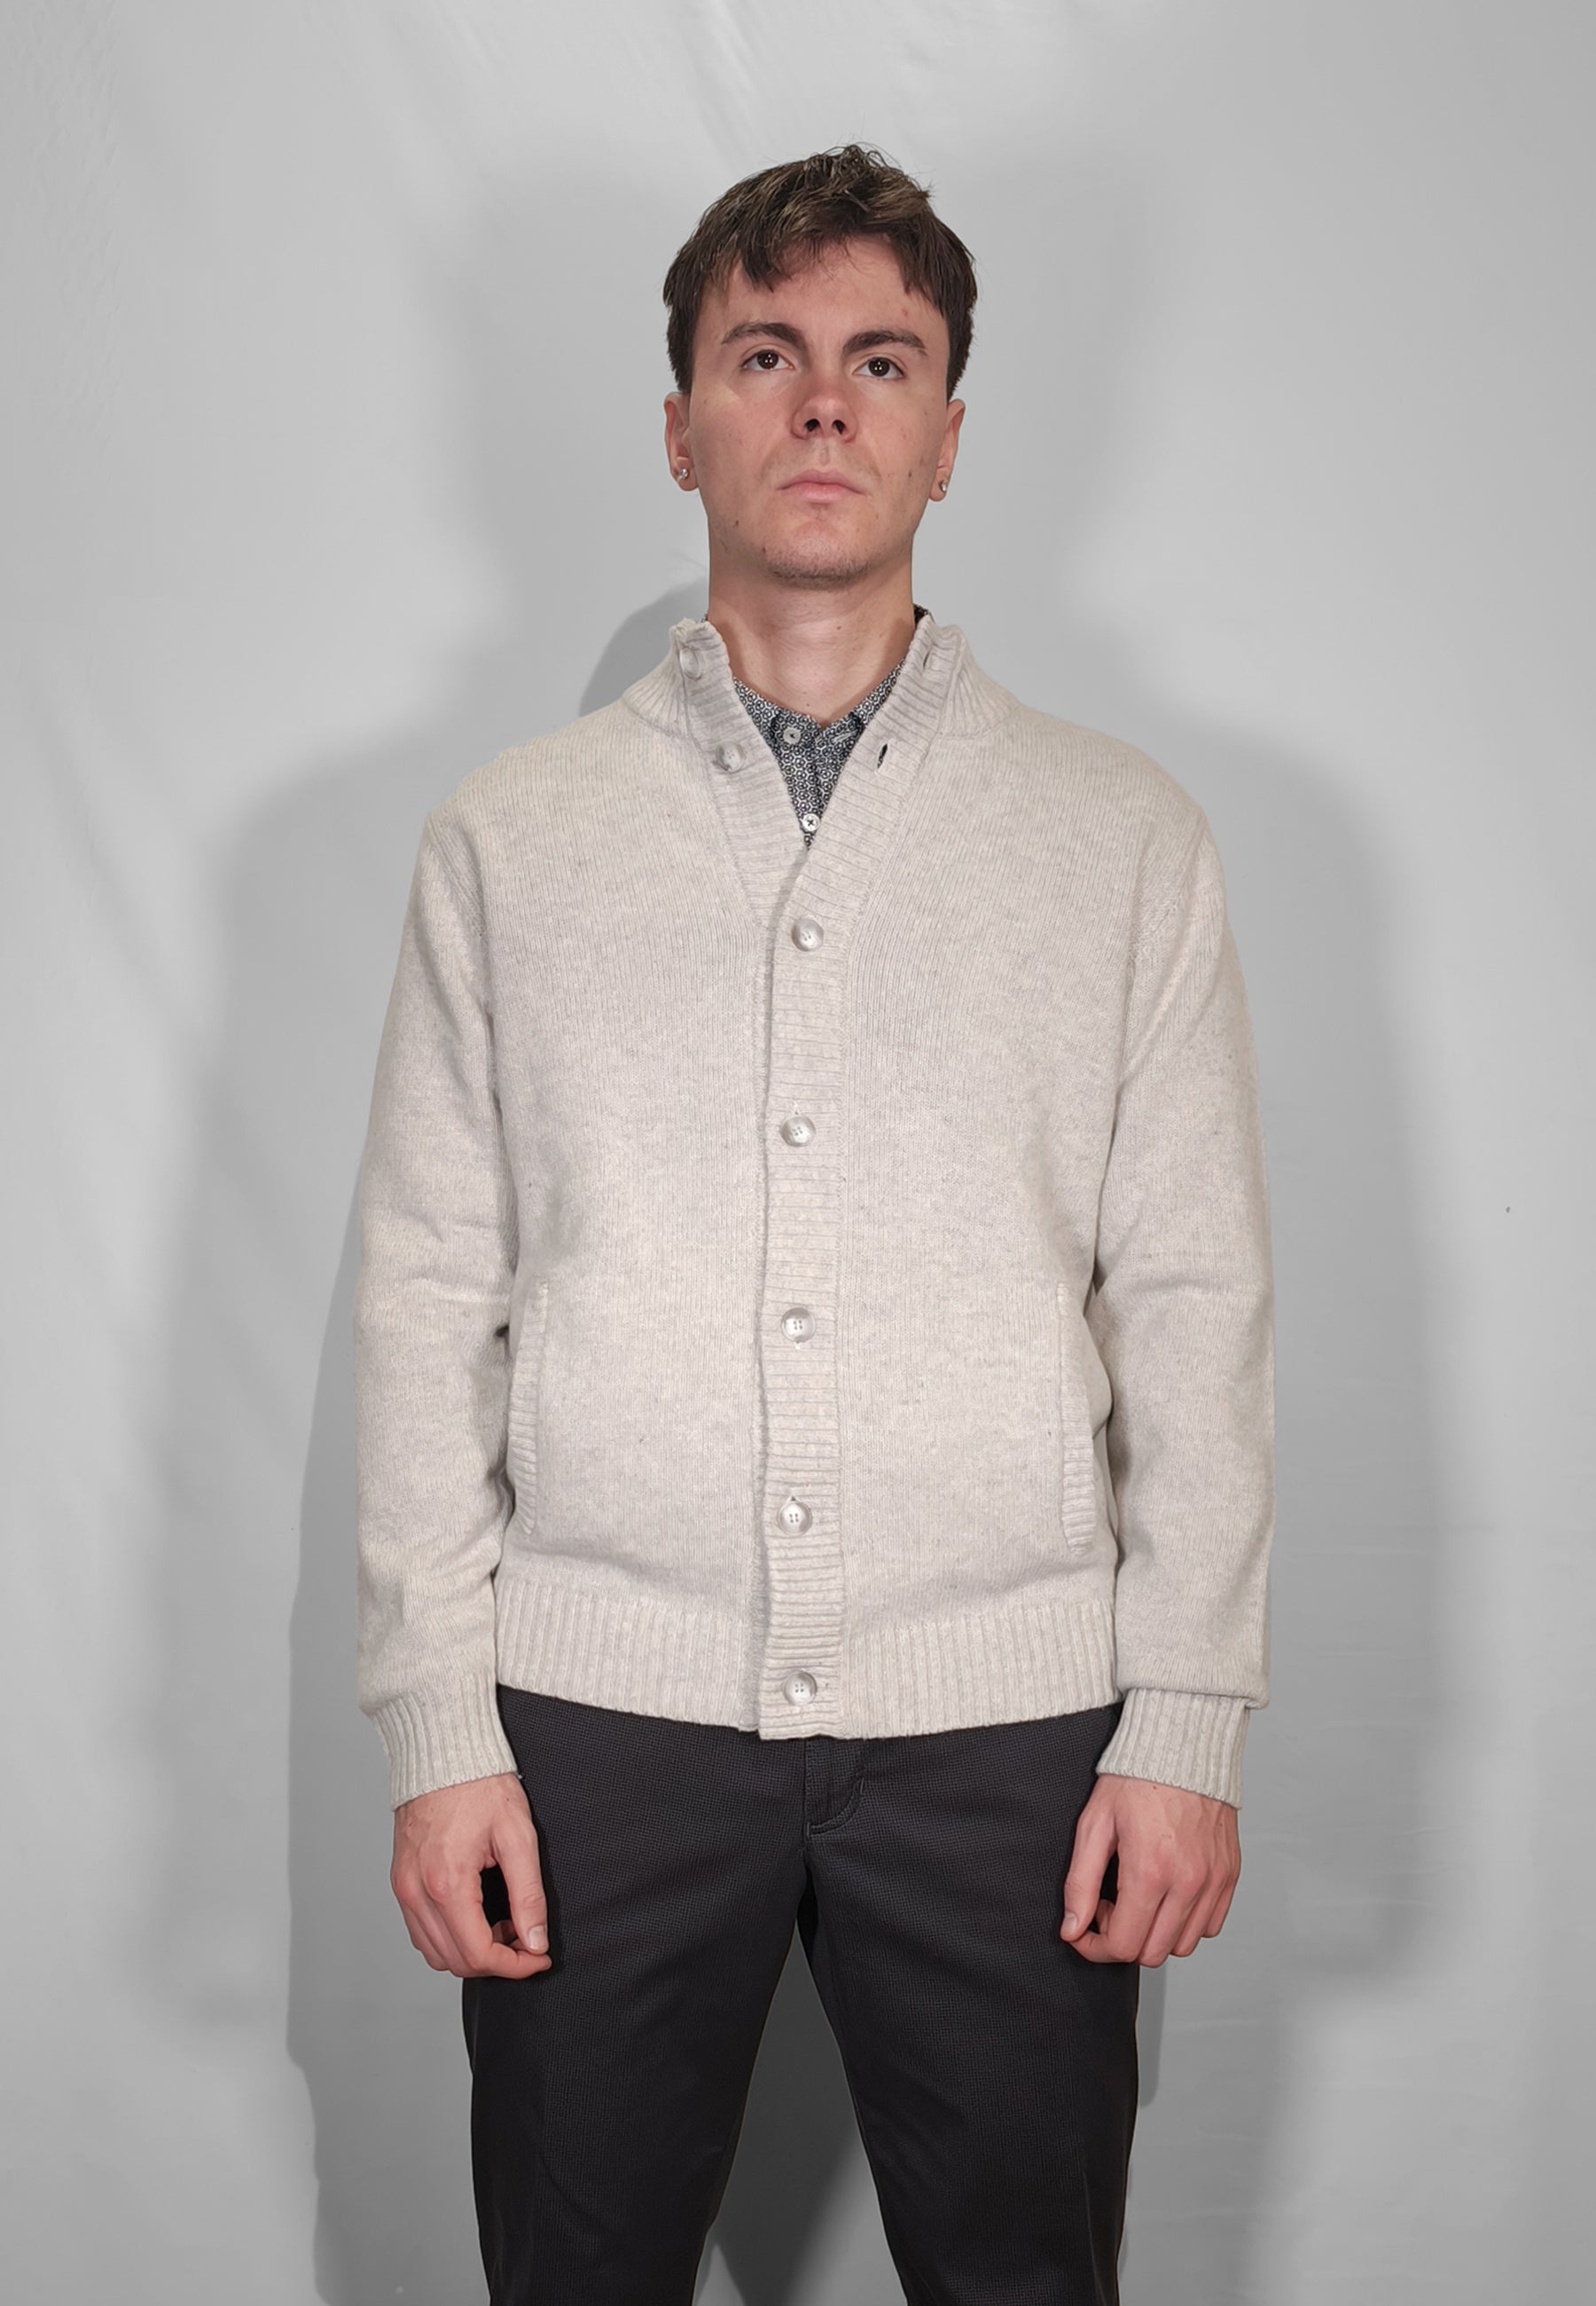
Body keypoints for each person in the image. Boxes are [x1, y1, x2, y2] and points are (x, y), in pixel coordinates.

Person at [352, 143, 1275, 2306]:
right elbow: (424, 1299)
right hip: (594, 1721)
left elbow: (1195, 1300)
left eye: (885, 359)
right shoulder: (510, 839)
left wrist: (1184, 1717)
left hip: (1015, 1733)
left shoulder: (1121, 837)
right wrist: (439, 1725)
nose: (827, 402)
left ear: (951, 431)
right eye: (765, 356)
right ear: (683, 426)